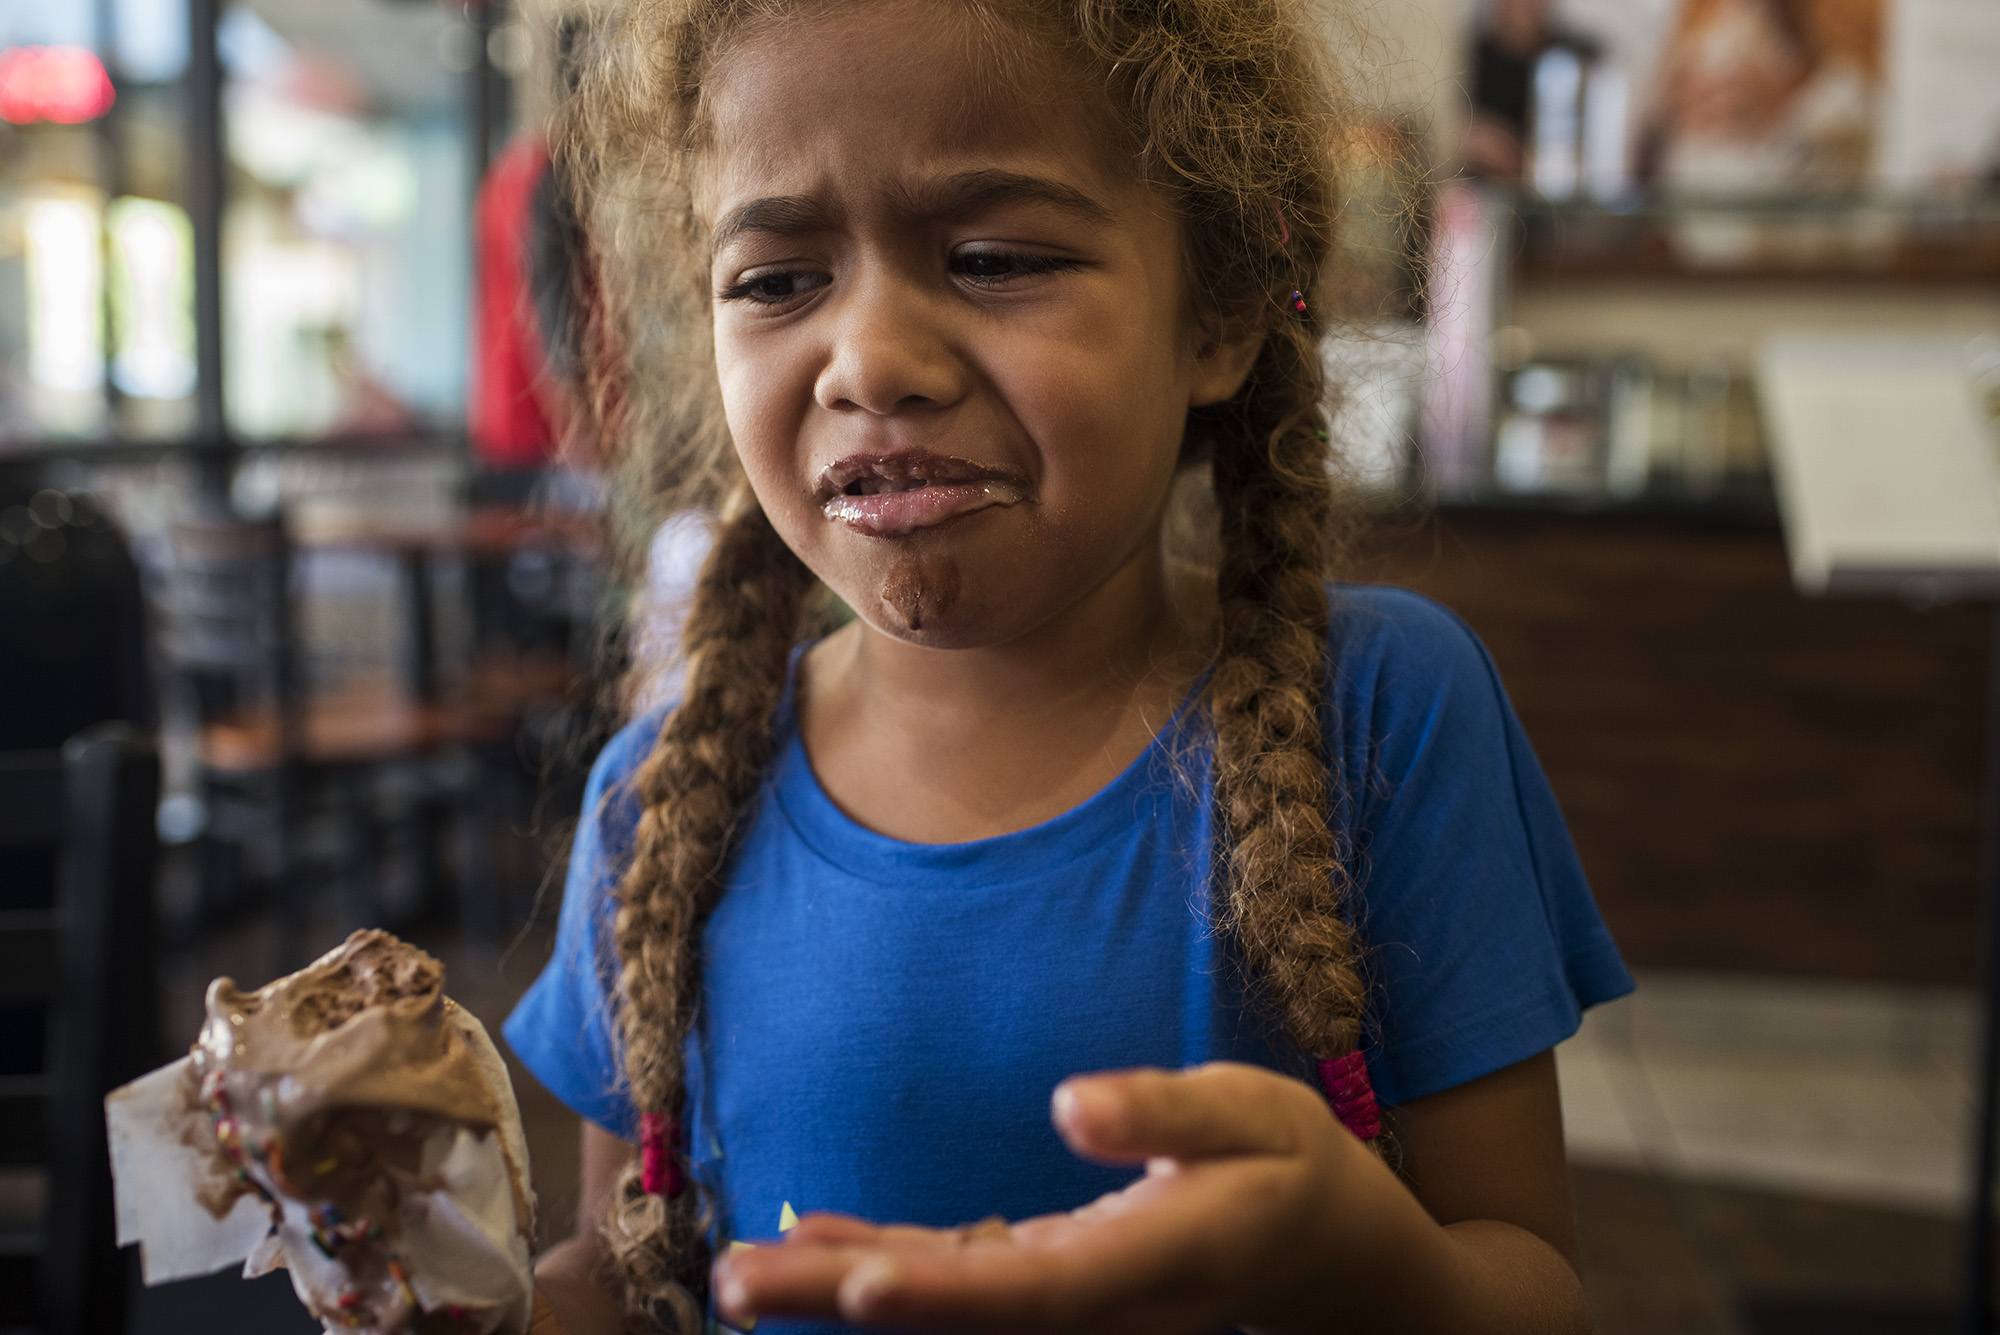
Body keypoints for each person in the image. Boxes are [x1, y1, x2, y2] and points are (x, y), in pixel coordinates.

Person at [502, 2, 1632, 1332]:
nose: (869, 361)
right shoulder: (658, 807)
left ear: (1216, 315)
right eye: (776, 280)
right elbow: (619, 1276)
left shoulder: (1380, 713)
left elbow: (1529, 1282)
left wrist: (1362, 1261)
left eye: (993, 257)